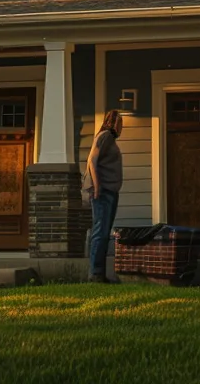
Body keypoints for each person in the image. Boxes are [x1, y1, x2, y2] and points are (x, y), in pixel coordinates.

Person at [86, 109, 124, 283]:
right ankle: (95, 274)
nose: (121, 126)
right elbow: (92, 161)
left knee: (103, 231)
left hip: (110, 191)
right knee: (100, 232)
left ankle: (99, 273)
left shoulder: (109, 139)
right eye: (120, 122)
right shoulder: (105, 136)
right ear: (113, 121)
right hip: (102, 192)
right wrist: (97, 186)